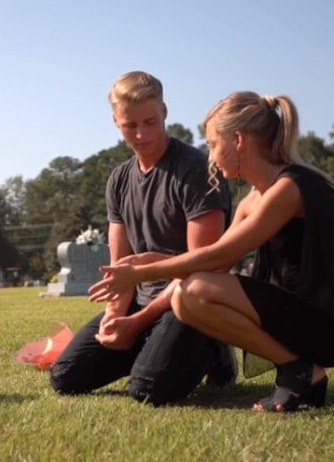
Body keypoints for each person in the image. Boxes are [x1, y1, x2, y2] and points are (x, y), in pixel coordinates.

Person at [92, 91, 334, 411]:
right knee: (188, 294)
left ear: (239, 140)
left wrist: (143, 272)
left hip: (331, 330)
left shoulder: (289, 188)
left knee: (194, 291)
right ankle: (298, 369)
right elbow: (218, 260)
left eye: (213, 144)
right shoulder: (253, 198)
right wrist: (154, 260)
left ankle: (299, 371)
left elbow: (216, 258)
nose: (211, 156)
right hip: (299, 318)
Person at [49, 71, 235, 405]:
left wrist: (135, 324)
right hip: (140, 302)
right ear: (115, 121)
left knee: (148, 390)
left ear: (164, 111)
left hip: (189, 302)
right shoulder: (119, 180)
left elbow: (205, 267)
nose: (141, 133)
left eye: (150, 121)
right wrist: (114, 317)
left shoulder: (197, 170)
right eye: (129, 125)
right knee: (65, 377)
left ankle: (214, 349)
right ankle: (153, 351)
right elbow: (120, 267)